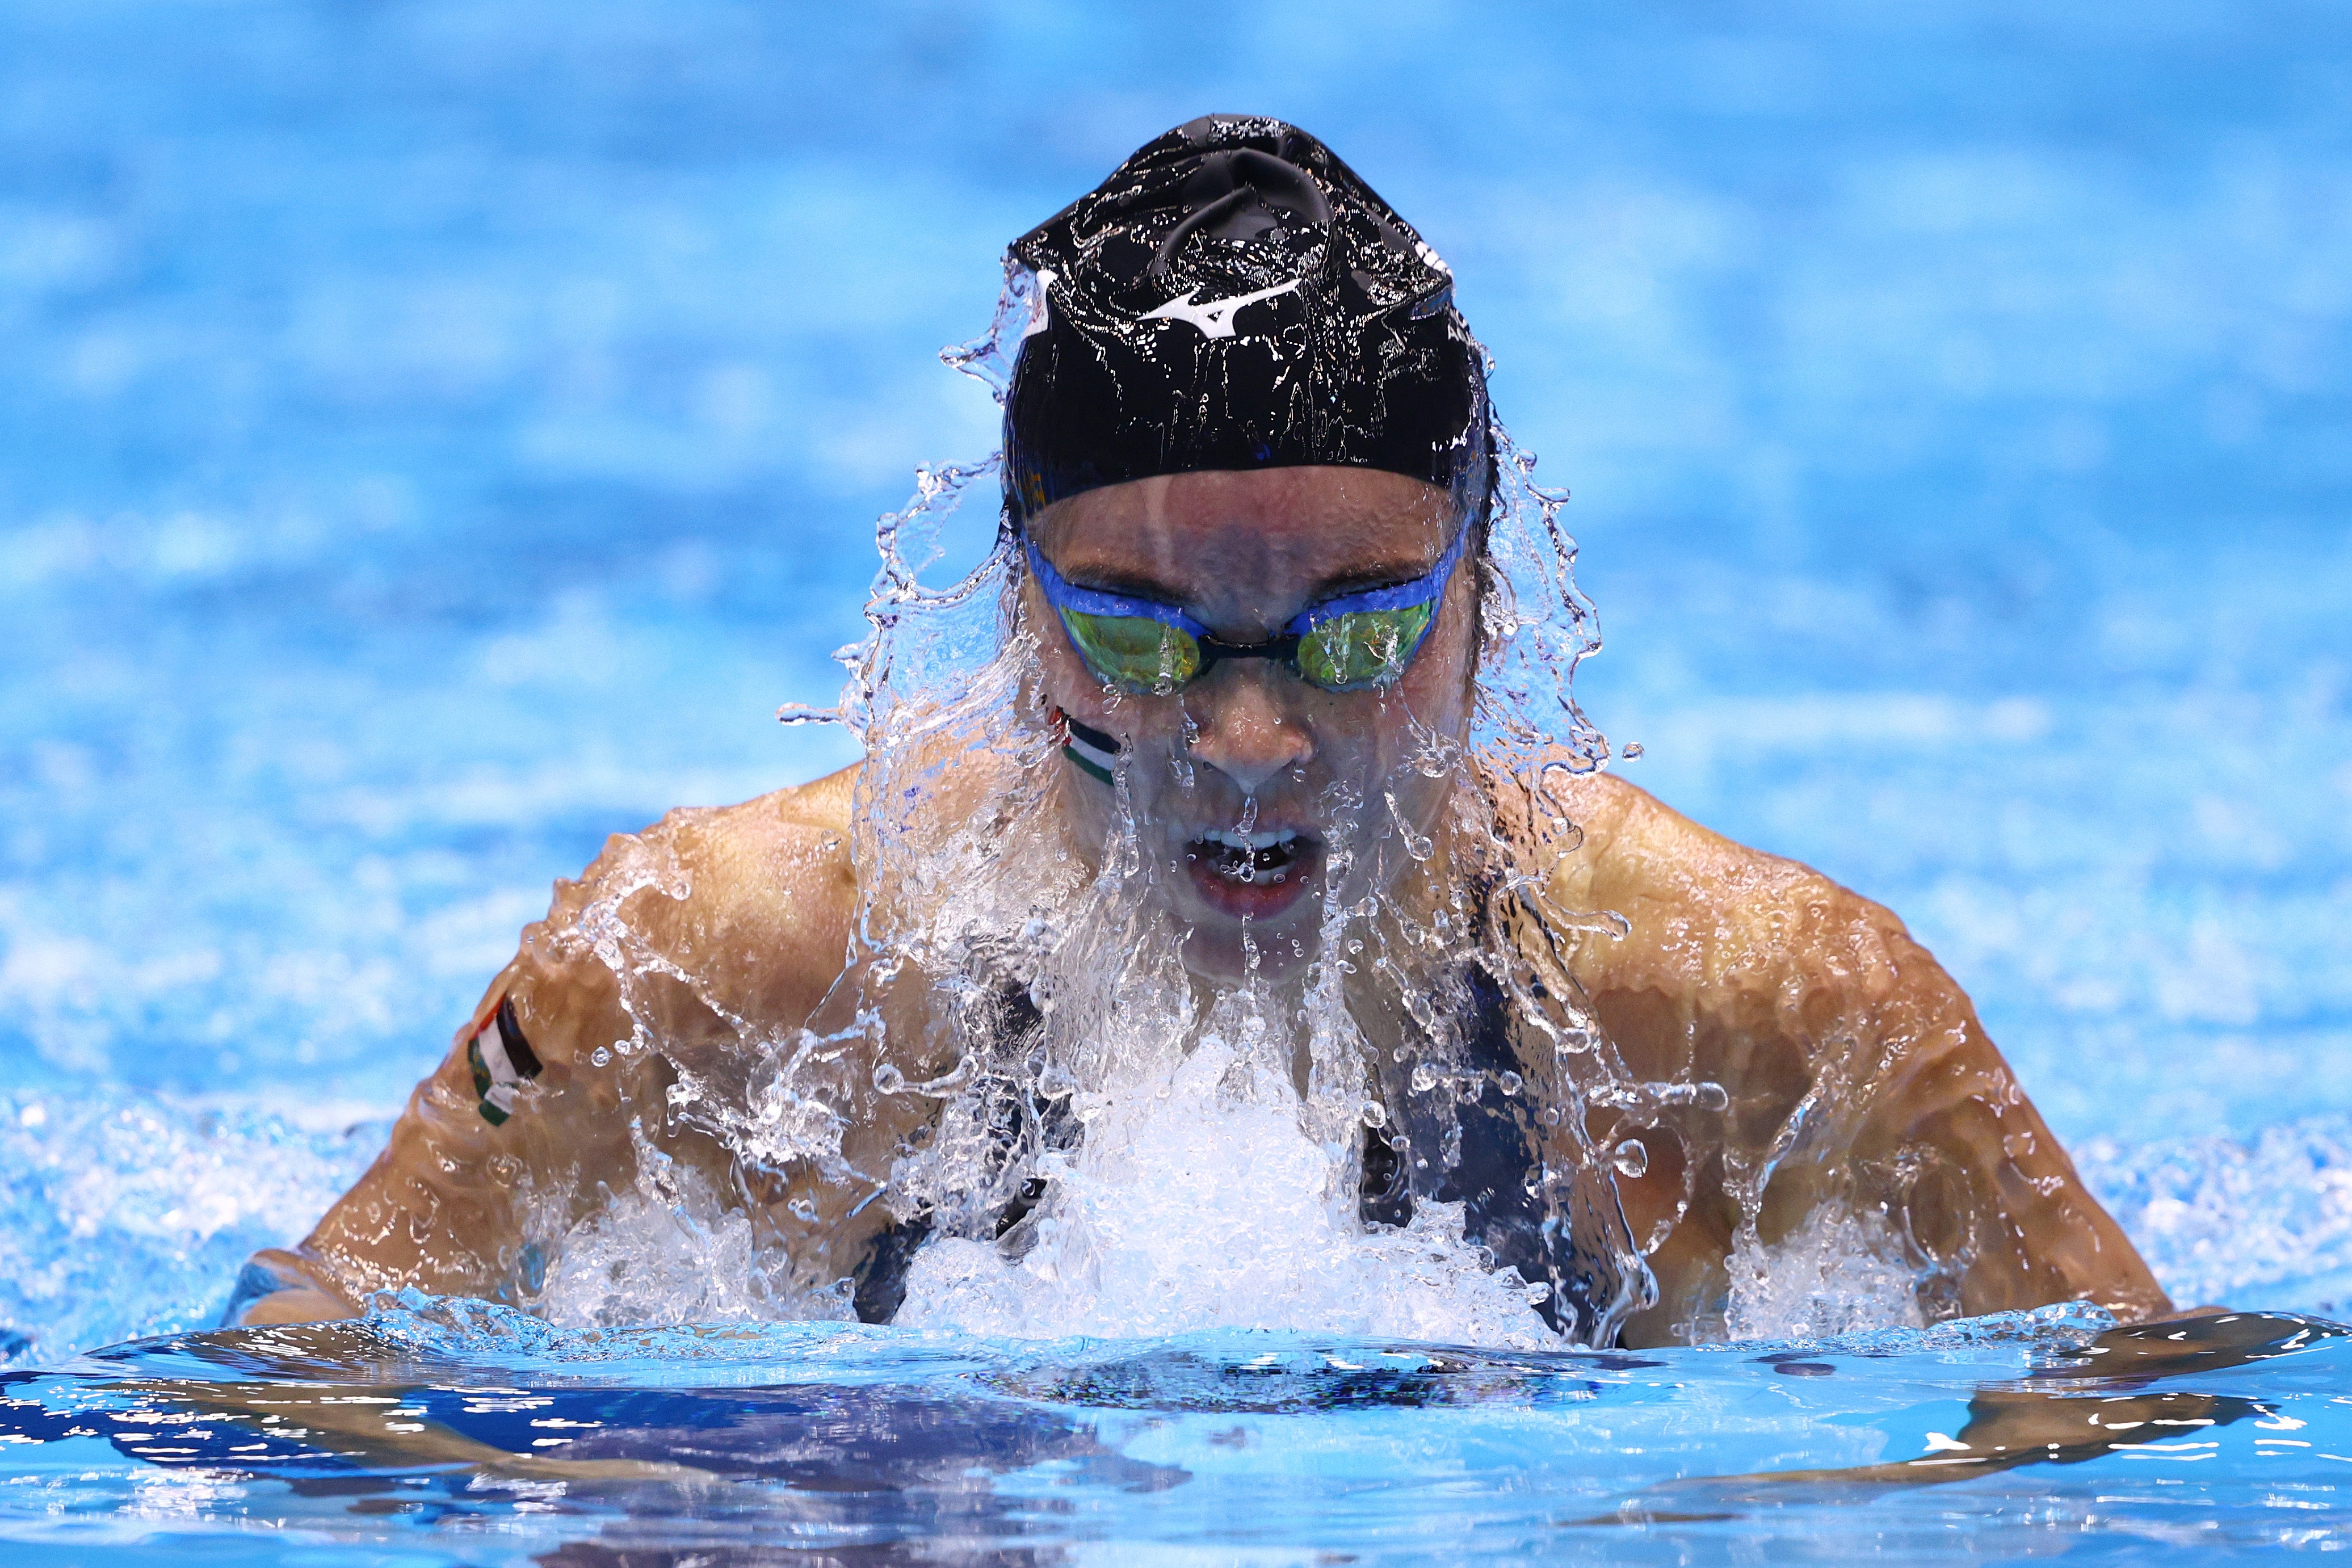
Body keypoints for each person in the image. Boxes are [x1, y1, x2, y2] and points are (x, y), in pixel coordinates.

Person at [225, 116, 2171, 1348]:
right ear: (1015, 608)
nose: (1247, 738)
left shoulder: (1767, 1013)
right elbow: (296, 1379)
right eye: (1144, 641)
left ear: (1491, 599)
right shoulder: (711, 965)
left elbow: (2149, 1435)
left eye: (1360, 636)